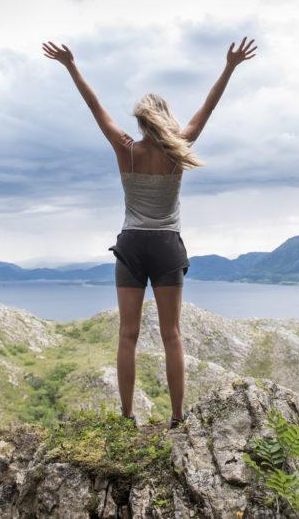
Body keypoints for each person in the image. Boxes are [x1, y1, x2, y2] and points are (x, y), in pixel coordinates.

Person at [42, 36, 257, 429]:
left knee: (128, 335)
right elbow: (207, 108)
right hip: (166, 247)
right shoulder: (179, 149)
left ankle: (127, 417)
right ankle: (177, 417)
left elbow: (96, 109)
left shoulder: (125, 149)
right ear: (165, 118)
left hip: (131, 246)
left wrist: (72, 66)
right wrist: (229, 67)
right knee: (172, 335)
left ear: (140, 122)